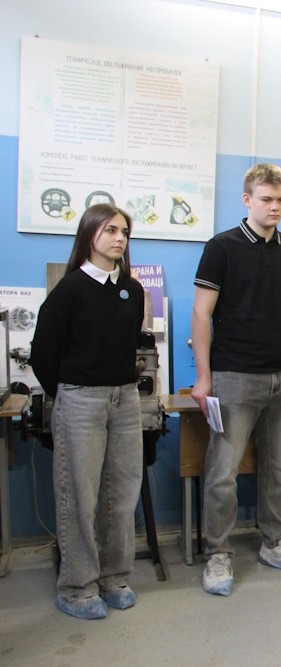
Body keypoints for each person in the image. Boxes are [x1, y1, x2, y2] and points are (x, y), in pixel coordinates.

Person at [190, 163, 281, 597]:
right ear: (247, 200)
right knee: (223, 473)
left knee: (279, 470)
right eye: (266, 199)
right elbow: (201, 314)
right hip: (234, 378)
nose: (274, 207)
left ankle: (275, 543)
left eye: (280, 200)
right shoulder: (221, 247)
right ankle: (218, 553)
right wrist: (204, 377)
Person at [30, 204, 145, 619]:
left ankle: (114, 577)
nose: (119, 238)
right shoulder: (70, 290)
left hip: (126, 399)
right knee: (79, 494)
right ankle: (77, 586)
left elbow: (128, 343)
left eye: (124, 232)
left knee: (122, 492)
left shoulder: (131, 290)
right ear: (89, 234)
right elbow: (43, 355)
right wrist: (71, 394)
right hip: (80, 400)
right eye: (110, 230)